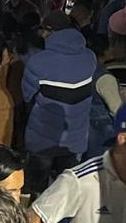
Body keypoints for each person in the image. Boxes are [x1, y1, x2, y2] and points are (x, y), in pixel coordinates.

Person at [22, 12, 98, 187]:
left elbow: (27, 96)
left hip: (42, 140)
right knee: (65, 191)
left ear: (49, 32)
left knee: (35, 188)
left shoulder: (38, 62)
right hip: (75, 139)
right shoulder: (90, 57)